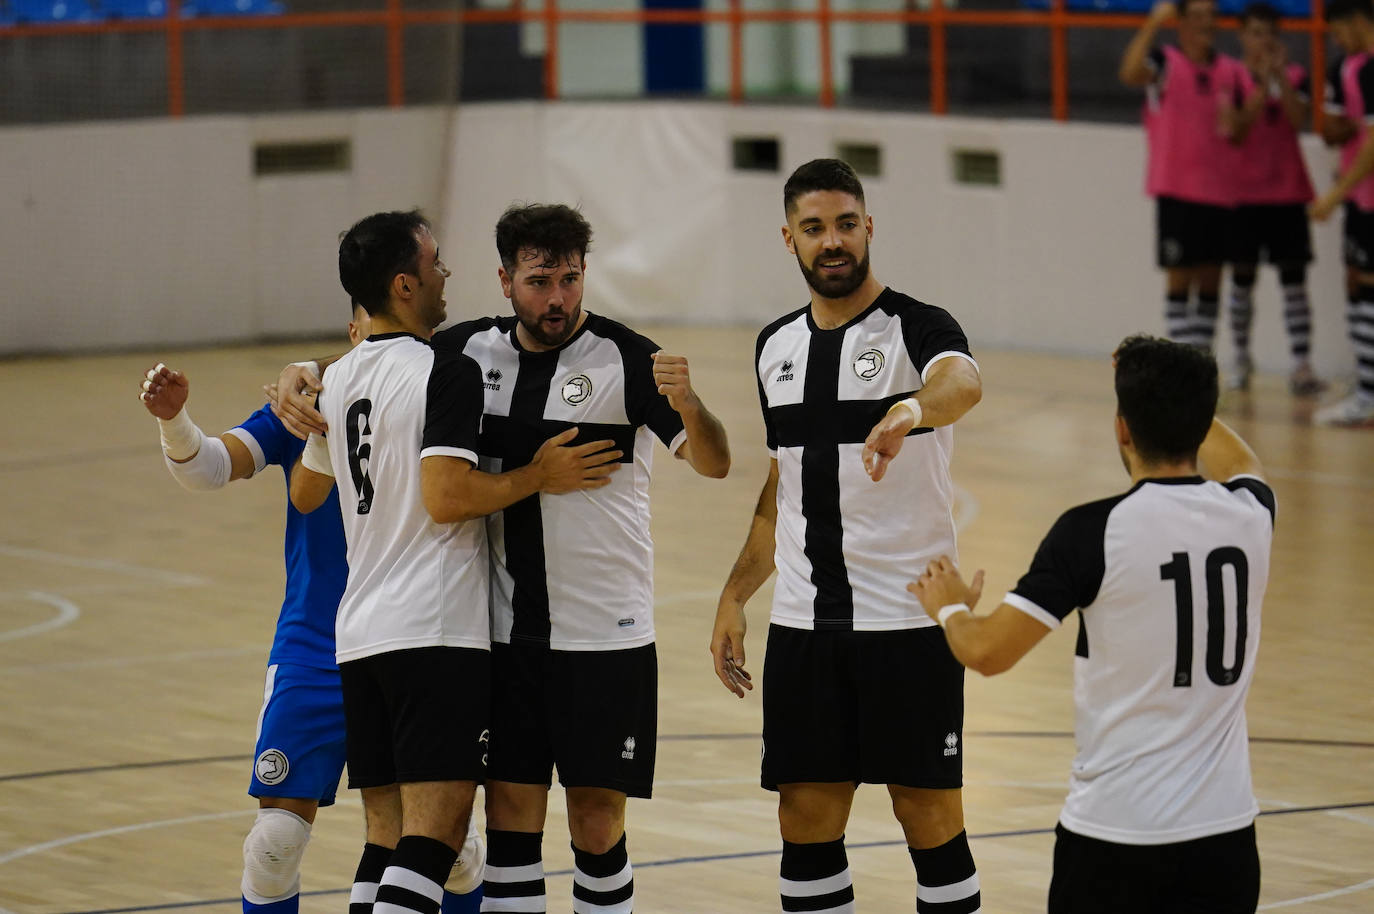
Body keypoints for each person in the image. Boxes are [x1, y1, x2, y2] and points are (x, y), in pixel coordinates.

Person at [283, 204, 728, 914]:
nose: (558, 298)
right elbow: (378, 349)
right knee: (510, 827)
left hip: (604, 638)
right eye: (540, 279)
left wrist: (691, 402)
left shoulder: (628, 359)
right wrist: (299, 372)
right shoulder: (463, 351)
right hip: (505, 638)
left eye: (571, 279)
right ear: (505, 280)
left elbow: (714, 462)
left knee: (596, 824)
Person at [137, 307, 485, 914]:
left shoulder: (443, 391)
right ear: (354, 332)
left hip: (411, 632)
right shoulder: (310, 405)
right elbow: (210, 466)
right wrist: (175, 423)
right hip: (315, 646)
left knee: (448, 850)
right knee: (273, 845)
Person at [910, 335, 1271, 914]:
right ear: (1201, 422)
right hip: (1226, 841)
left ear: (1122, 428)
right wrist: (1173, 394)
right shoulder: (1253, 515)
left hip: (1116, 838)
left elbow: (987, 653)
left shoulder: (1093, 532)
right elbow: (1244, 464)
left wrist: (948, 606)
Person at [711, 159, 983, 913]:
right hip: (806, 628)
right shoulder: (774, 347)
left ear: (869, 227)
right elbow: (781, 486)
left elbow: (963, 383)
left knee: (928, 818)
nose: (831, 242)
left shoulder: (917, 326)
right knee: (804, 819)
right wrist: (736, 595)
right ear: (789, 239)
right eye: (813, 228)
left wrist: (907, 412)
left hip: (905, 624)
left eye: (844, 224)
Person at [1120, 0, 1245, 351]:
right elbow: (1130, 73)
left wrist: (1237, 124)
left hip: (1219, 192)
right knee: (1179, 279)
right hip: (1176, 190)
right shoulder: (1166, 62)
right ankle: (1181, 362)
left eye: (1211, 16)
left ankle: (1201, 361)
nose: (1207, 23)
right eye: (1198, 16)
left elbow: (1239, 132)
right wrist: (1151, 23)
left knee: (1210, 283)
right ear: (1182, 22)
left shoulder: (1230, 71)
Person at [1219, 2, 1325, 395]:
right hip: (1243, 193)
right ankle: (1242, 359)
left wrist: (1278, 77)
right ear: (1242, 35)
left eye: (1270, 33)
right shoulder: (1229, 76)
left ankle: (1301, 365)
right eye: (1256, 33)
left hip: (1287, 191)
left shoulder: (1295, 74)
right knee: (1242, 280)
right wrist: (1262, 86)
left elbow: (1300, 120)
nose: (1263, 41)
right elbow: (1237, 130)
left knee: (1294, 281)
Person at [1311, 0, 1374, 426]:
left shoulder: (1370, 70)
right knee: (1357, 282)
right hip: (1361, 197)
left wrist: (1336, 193)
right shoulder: (1351, 67)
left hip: (1367, 196)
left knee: (1366, 285)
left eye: (1337, 31)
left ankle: (1368, 395)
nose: (1336, 40)